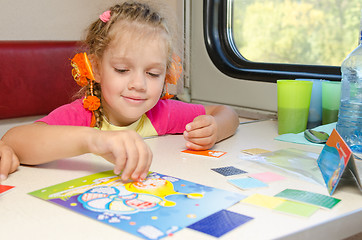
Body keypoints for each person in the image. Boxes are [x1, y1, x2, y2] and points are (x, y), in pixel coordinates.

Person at [2, 1, 239, 182]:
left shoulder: (162, 113)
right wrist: (94, 141)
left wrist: (214, 129)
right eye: (122, 69)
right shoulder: (83, 116)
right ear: (96, 68)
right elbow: (14, 141)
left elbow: (226, 112)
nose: (139, 84)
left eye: (153, 73)